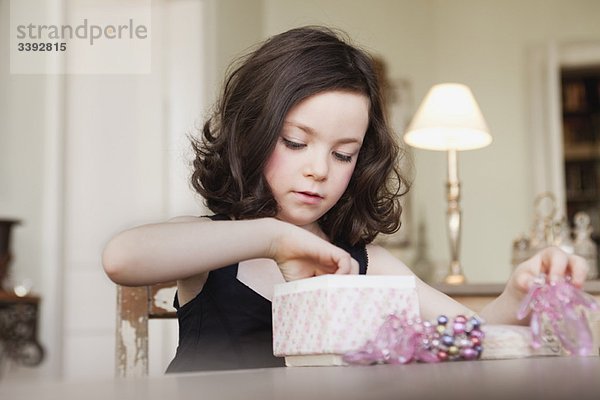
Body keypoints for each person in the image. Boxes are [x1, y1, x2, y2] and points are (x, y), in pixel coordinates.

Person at [102, 26, 589, 372]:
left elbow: (471, 333)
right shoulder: (213, 247)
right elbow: (122, 258)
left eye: (343, 154)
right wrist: (272, 237)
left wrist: (517, 295)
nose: (319, 169)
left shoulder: (369, 265)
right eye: (296, 142)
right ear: (251, 134)